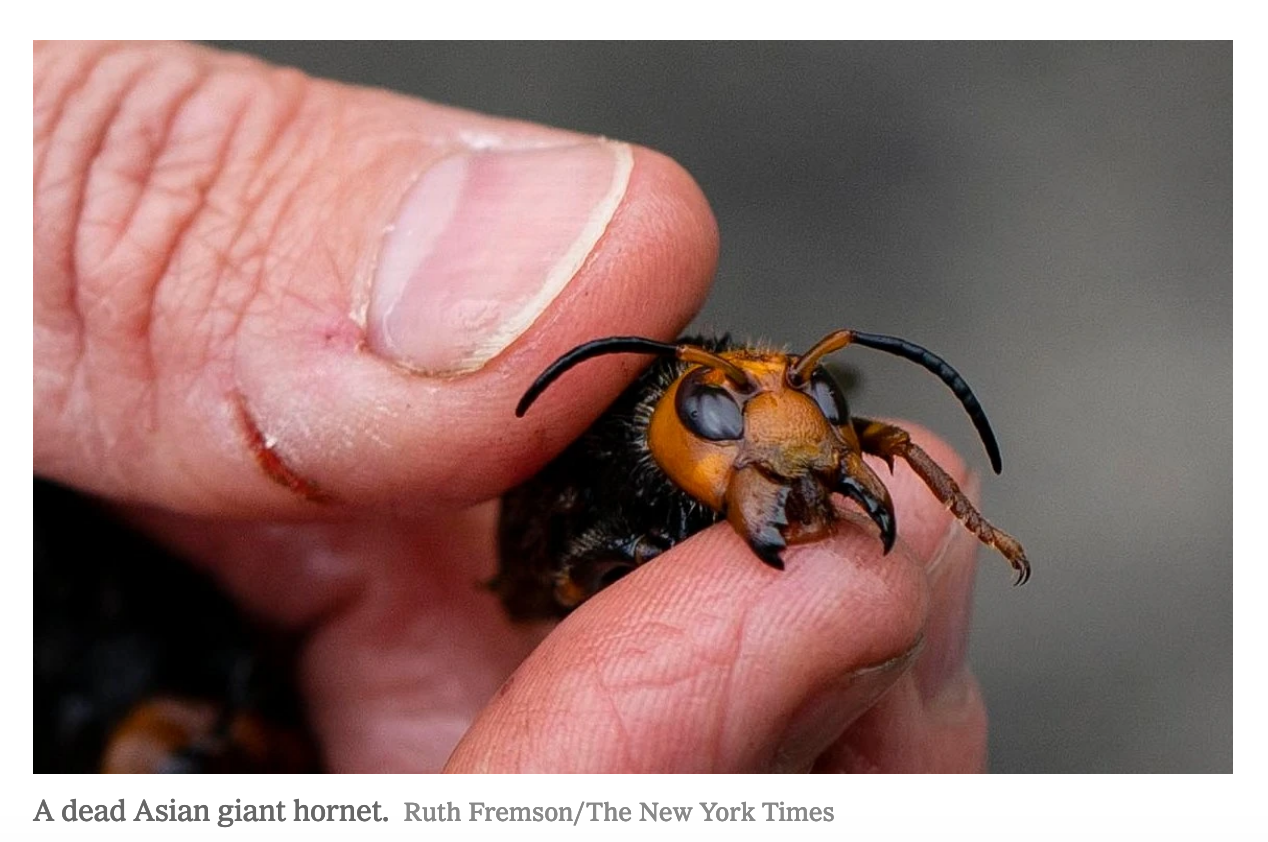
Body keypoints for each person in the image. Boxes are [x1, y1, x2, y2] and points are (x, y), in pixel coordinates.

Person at [34, 41, 986, 772]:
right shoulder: (610, 470)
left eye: (809, 395)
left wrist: (973, 519)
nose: (786, 430)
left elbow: (877, 438)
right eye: (731, 418)